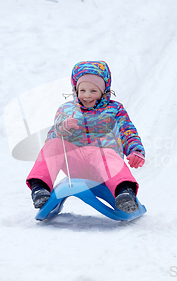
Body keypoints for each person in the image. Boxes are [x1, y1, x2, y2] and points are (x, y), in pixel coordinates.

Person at [26, 61, 146, 213]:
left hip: (103, 163)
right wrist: (63, 128)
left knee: (106, 153)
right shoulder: (67, 109)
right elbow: (51, 139)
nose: (87, 95)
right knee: (54, 145)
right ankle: (39, 187)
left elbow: (127, 131)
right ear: (75, 89)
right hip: (75, 163)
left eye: (93, 90)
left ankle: (124, 191)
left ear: (104, 91)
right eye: (82, 90)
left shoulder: (115, 109)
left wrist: (135, 150)